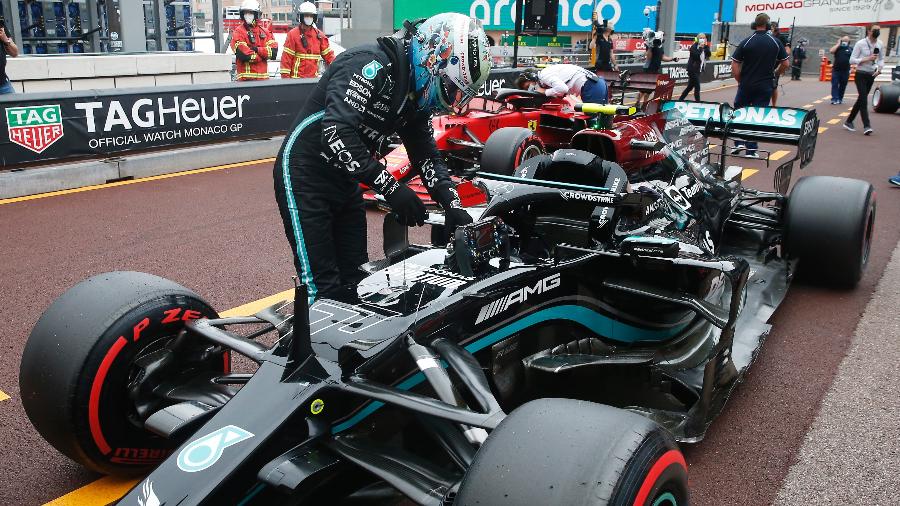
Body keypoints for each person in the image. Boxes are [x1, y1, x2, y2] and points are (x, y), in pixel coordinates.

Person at [273, 13, 489, 303]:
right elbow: (336, 132)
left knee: (357, 281)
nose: (449, 100)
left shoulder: (414, 93)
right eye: (450, 88)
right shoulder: (369, 64)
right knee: (323, 288)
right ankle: (307, 345)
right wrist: (391, 188)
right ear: (432, 57)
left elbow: (426, 154)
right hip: (305, 172)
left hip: (346, 179)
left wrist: (452, 205)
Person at [730, 13, 789, 157]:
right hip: (765, 86)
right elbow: (785, 63)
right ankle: (751, 149)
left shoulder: (747, 41)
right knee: (757, 116)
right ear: (768, 26)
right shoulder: (775, 42)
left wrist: (740, 81)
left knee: (739, 113)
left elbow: (735, 65)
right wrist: (776, 73)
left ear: (754, 25)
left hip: (746, 84)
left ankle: (738, 143)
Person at [844, 24, 884, 136]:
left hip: (871, 75)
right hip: (860, 74)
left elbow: (881, 59)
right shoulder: (860, 43)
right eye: (875, 30)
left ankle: (848, 121)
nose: (877, 32)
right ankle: (867, 125)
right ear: (869, 31)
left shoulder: (880, 44)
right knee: (863, 99)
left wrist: (880, 69)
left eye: (879, 30)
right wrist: (866, 59)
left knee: (861, 99)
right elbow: (851, 60)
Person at [280, 2, 335, 79]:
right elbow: (286, 59)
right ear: (301, 17)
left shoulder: (320, 36)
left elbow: (329, 57)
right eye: (306, 15)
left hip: (312, 81)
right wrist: (285, 81)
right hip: (296, 81)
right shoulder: (293, 34)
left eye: (311, 15)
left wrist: (338, 69)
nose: (309, 17)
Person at [231, 0, 278, 81]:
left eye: (250, 13)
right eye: (245, 13)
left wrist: (257, 50)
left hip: (263, 81)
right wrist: (262, 56)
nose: (247, 15)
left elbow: (273, 52)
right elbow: (243, 54)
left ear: (256, 14)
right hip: (246, 80)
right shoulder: (238, 32)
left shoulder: (265, 32)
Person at [514, 64, 608, 104]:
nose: (531, 89)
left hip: (591, 86)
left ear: (532, 77)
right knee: (604, 120)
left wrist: (545, 92)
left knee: (593, 123)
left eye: (528, 86)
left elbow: (563, 89)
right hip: (597, 83)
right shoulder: (545, 76)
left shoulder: (544, 75)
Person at [638, 30, 678, 108]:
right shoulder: (651, 44)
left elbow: (663, 57)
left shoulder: (660, 46)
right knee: (643, 89)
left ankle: (644, 104)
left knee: (649, 90)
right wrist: (650, 47)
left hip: (655, 69)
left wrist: (672, 59)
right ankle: (637, 103)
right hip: (648, 69)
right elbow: (648, 57)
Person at [679, 33, 711, 101]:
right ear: (698, 39)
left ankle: (680, 99)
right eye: (701, 38)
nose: (702, 39)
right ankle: (698, 102)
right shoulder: (694, 47)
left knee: (690, 87)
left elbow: (709, 54)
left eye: (704, 38)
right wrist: (700, 48)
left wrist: (705, 47)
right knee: (697, 86)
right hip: (692, 69)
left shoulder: (705, 46)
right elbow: (696, 56)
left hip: (698, 70)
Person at [769, 22, 789, 105]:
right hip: (766, 64)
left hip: (776, 65)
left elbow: (788, 50)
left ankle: (774, 105)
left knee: (774, 86)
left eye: (773, 27)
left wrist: (782, 57)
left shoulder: (782, 37)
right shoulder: (767, 36)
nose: (772, 29)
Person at [830, 35, 852, 104]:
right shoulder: (838, 48)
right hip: (836, 70)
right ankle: (834, 99)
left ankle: (840, 98)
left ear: (849, 42)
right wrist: (838, 44)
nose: (844, 42)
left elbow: (854, 57)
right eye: (843, 40)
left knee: (843, 85)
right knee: (834, 84)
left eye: (846, 41)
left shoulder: (851, 49)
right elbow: (831, 51)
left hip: (845, 70)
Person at [0, 23, 20, 94]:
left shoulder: (0, 25)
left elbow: (15, 53)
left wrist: (5, 40)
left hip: (3, 84)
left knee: (14, 104)